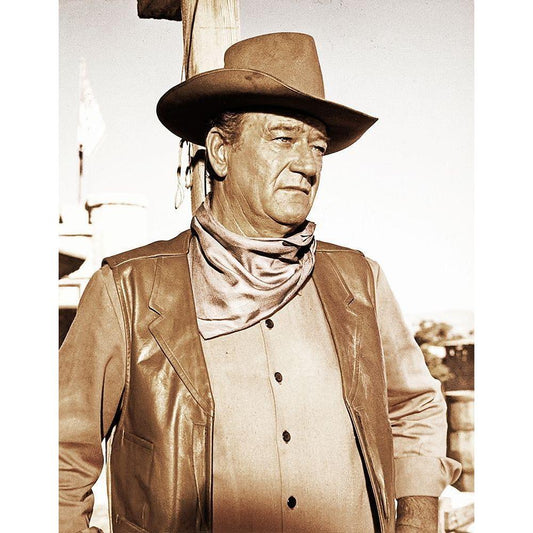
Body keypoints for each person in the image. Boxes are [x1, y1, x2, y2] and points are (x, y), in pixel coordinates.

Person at [59, 32, 461, 533]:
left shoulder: (360, 282)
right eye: (283, 139)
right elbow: (57, 458)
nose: (308, 164)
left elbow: (413, 408)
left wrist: (417, 522)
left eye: (318, 146)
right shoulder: (127, 290)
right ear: (220, 152)